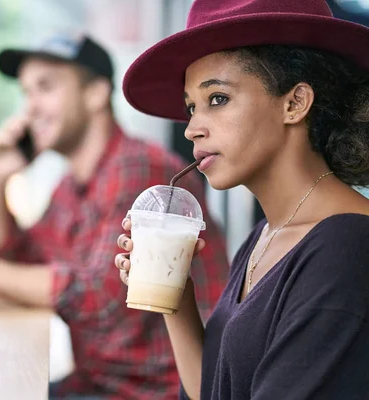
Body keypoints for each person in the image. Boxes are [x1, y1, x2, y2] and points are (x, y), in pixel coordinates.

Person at [0, 32, 229, 399]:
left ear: (96, 94)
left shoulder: (139, 167)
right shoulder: (72, 185)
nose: (31, 107)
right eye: (27, 93)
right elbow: (16, 257)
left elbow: (97, 297)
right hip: (95, 385)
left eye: (46, 87)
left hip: (152, 393)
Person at [115, 0, 369, 399]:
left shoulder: (347, 248)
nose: (191, 129)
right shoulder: (264, 236)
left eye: (217, 99)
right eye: (191, 108)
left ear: (294, 103)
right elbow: (215, 391)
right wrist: (175, 298)